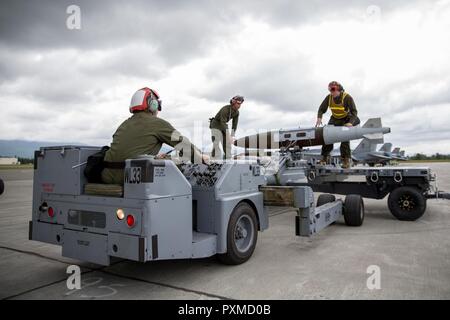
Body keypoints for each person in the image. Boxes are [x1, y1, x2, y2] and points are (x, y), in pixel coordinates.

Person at [101, 87, 208, 184]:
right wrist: (200, 157)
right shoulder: (157, 123)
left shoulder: (123, 125)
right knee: (177, 162)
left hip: (106, 176)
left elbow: (130, 151)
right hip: (130, 178)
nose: (158, 109)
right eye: (158, 104)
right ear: (152, 104)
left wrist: (153, 158)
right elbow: (183, 144)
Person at [315, 81, 360, 168]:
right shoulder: (329, 98)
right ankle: (324, 158)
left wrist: (350, 123)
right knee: (327, 136)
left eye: (333, 89)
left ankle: (346, 160)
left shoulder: (347, 97)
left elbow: (354, 112)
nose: (331, 92)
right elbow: (321, 109)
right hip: (335, 119)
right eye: (329, 90)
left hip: (346, 118)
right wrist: (319, 117)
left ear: (339, 89)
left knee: (345, 137)